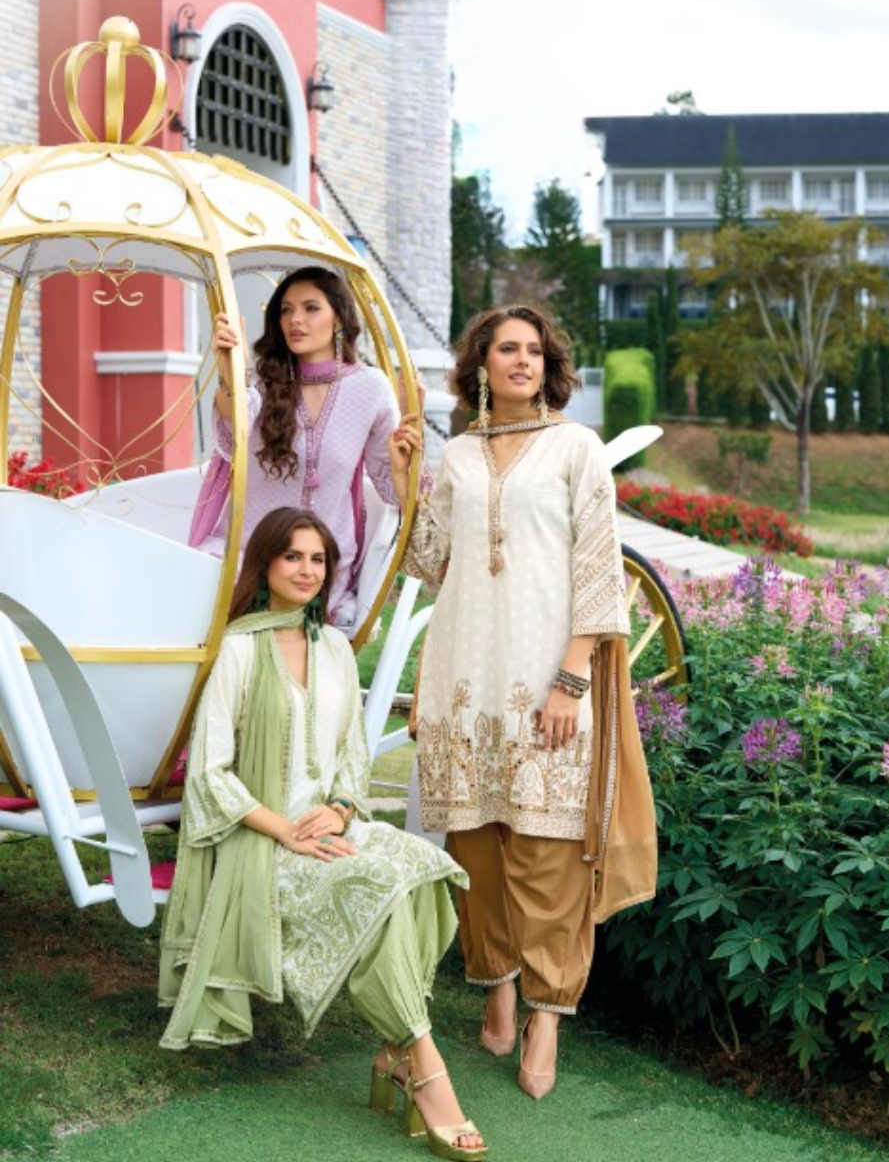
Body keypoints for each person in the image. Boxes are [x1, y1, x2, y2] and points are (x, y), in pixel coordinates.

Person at [160, 506, 486, 1161]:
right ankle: (423, 1066)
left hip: (331, 825)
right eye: (293, 557)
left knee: (420, 870)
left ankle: (396, 1049)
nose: (307, 570)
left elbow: (352, 754)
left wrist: (339, 808)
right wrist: (285, 830)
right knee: (376, 885)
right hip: (262, 838)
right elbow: (209, 773)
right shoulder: (239, 649)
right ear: (265, 565)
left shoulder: (334, 647)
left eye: (318, 559)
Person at [389, 305, 657, 1100]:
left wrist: (571, 679)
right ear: (480, 365)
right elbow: (430, 562)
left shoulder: (576, 449)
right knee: (474, 844)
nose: (521, 361)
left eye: (533, 350)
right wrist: (405, 481)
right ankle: (496, 983)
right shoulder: (459, 454)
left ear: (548, 365)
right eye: (506, 349)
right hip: (464, 674)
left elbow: (599, 569)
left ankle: (547, 1012)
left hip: (546, 675)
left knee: (546, 850)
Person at [189, 266, 402, 637]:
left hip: (321, 568)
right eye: (286, 310)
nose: (295, 320)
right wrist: (229, 371)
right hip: (248, 561)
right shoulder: (261, 383)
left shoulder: (371, 389)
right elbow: (234, 431)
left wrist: (409, 460)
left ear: (339, 318)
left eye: (310, 308)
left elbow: (391, 484)